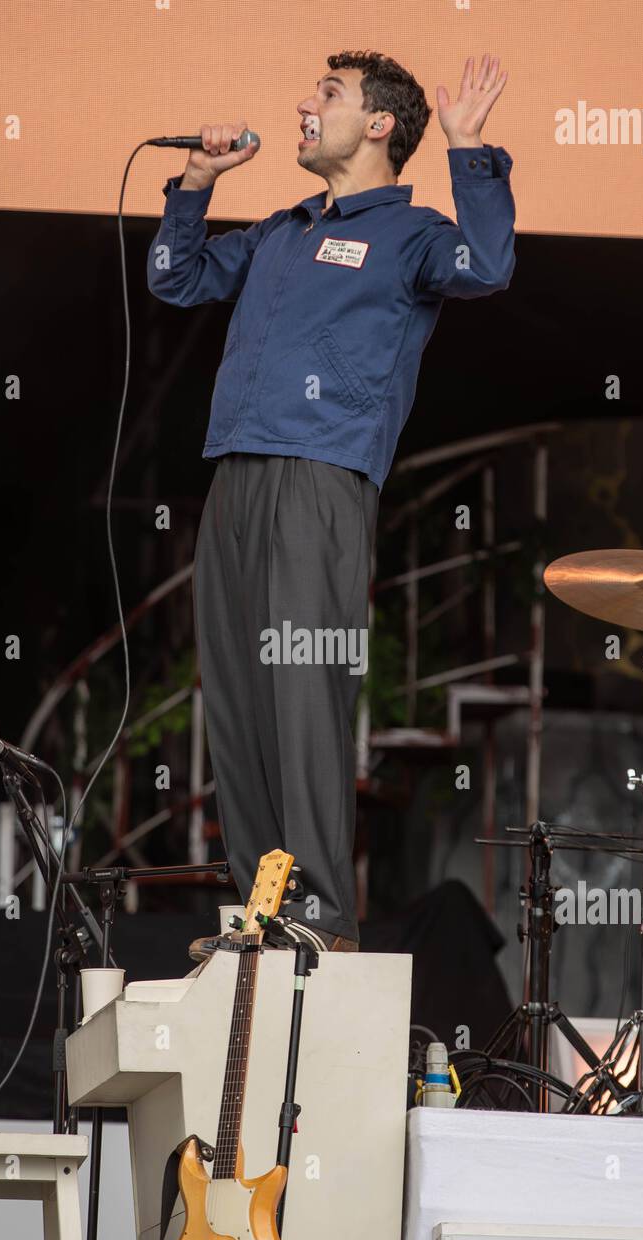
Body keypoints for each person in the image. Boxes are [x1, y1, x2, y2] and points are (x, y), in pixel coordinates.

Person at [148, 50, 515, 960]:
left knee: (304, 694)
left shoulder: (413, 232)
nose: (305, 107)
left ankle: (319, 914)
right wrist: (193, 184)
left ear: (380, 124)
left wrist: (471, 149)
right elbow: (174, 277)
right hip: (236, 475)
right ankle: (260, 910)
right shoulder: (281, 229)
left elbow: (490, 265)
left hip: (322, 480)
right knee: (234, 697)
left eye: (328, 96)